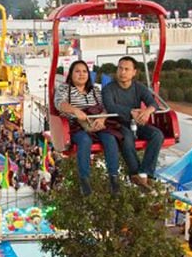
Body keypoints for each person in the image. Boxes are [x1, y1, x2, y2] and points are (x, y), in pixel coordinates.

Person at [56, 60, 123, 196]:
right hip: (78, 125)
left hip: (97, 122)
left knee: (110, 139)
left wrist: (102, 118)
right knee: (84, 141)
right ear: (71, 74)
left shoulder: (95, 90)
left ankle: (113, 177)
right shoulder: (65, 89)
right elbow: (60, 104)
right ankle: (84, 180)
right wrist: (75, 111)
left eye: (84, 71)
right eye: (77, 71)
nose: (81, 74)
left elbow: (105, 107)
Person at [100, 56, 165, 188]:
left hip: (136, 123)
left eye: (126, 69)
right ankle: (135, 172)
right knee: (127, 137)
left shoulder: (138, 87)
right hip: (118, 124)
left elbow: (153, 102)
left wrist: (147, 111)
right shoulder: (108, 89)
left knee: (157, 135)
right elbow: (110, 106)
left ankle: (146, 172)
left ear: (134, 72)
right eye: (120, 68)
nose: (122, 72)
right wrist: (131, 112)